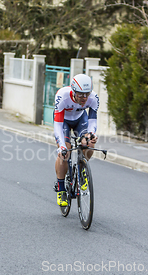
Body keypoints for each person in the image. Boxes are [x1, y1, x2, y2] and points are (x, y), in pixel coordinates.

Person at [54, 74, 99, 207]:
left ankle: (82, 169)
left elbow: (92, 119)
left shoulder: (93, 97)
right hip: (64, 122)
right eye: (80, 94)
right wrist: (61, 146)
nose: (84, 98)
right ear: (73, 91)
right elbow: (57, 124)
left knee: (89, 142)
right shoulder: (62, 96)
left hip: (81, 120)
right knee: (65, 152)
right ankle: (61, 188)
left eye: (87, 94)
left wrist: (91, 134)